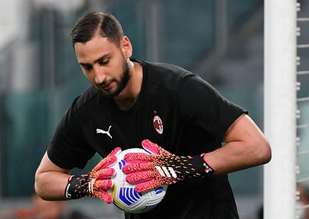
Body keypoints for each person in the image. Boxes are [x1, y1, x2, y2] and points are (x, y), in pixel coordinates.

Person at [34, 11, 271, 219]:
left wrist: (178, 168)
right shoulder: (86, 110)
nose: (99, 77)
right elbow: (44, 180)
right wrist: (89, 184)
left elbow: (256, 147)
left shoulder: (178, 87)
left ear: (125, 46)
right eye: (87, 67)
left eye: (104, 61)